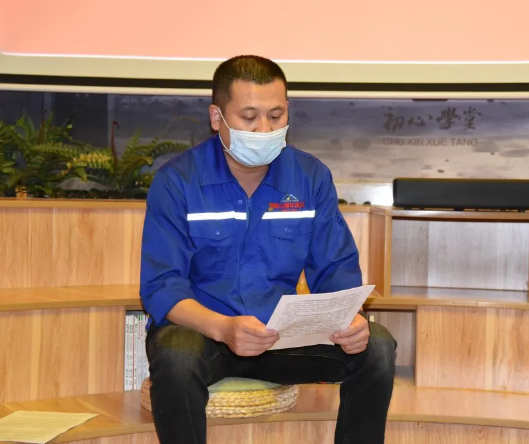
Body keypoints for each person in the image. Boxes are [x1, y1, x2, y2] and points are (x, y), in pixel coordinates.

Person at [139, 55, 397, 444]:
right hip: (205, 334)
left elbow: (336, 267)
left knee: (377, 346)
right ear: (217, 117)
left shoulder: (310, 177)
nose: (264, 129)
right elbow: (161, 286)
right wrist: (224, 328)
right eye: (249, 117)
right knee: (175, 354)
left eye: (276, 116)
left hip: (282, 338)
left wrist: (351, 318)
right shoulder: (177, 182)